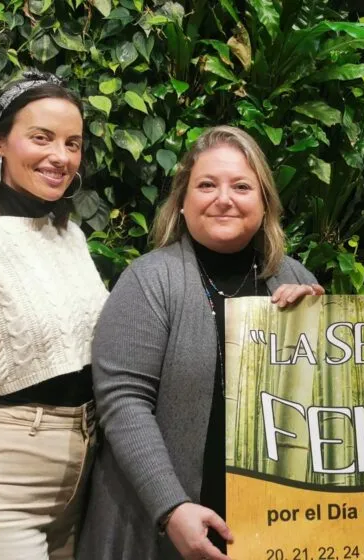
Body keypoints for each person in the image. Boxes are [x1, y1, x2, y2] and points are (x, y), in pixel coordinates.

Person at [79, 125, 324, 560]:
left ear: (264, 201)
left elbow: (330, 405)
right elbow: (123, 402)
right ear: (183, 201)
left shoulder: (296, 280)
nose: (224, 198)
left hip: (270, 531)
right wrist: (171, 508)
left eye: (242, 186)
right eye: (207, 185)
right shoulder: (149, 280)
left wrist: (323, 330)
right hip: (161, 527)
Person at [0, 70, 108, 559]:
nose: (61, 157)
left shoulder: (71, 237)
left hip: (82, 475)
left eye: (73, 143)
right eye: (41, 138)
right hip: (4, 480)